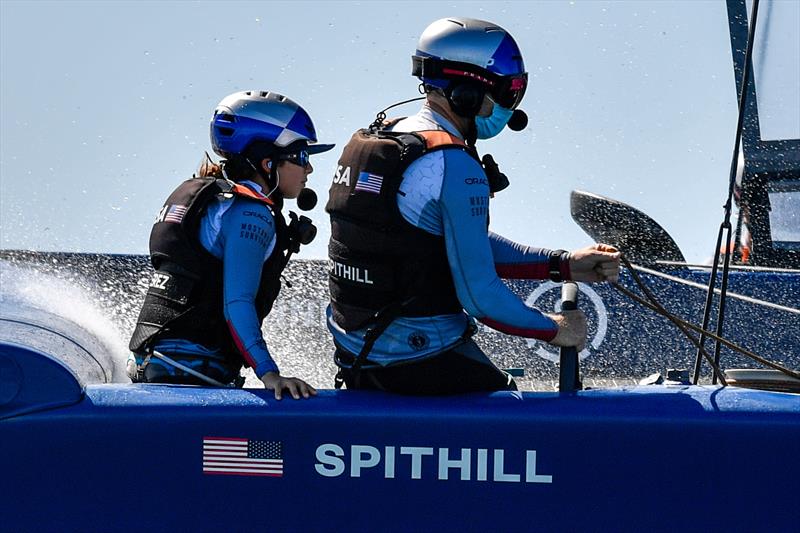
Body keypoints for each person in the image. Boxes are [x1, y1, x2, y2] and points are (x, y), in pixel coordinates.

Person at [325, 17, 621, 395]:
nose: (510, 106)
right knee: (524, 417)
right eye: (508, 91)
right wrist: (556, 329)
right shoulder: (454, 164)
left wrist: (562, 264)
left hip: (358, 355)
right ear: (466, 92)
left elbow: (435, 243)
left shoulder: (385, 139)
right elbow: (480, 296)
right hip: (419, 360)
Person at [128, 90, 333, 399]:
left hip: (149, 362)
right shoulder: (251, 214)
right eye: (302, 156)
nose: (309, 169)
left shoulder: (204, 196)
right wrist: (270, 374)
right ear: (267, 162)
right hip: (191, 371)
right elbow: (237, 304)